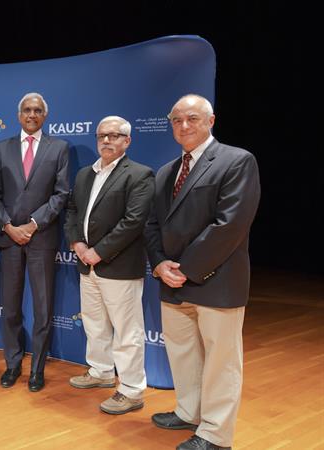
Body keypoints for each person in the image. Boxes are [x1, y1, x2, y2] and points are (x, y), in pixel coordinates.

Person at [145, 94, 260, 450]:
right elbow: (151, 224)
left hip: (217, 281)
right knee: (183, 355)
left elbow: (229, 225)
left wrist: (187, 269)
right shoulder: (166, 172)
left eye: (192, 118)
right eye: (177, 120)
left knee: (221, 362)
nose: (184, 126)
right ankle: (188, 411)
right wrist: (161, 264)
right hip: (173, 282)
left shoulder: (237, 161)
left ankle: (214, 434)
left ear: (211, 121)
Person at [64, 116, 154, 414]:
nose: (106, 140)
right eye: (102, 135)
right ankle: (101, 371)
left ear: (127, 141)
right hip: (86, 264)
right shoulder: (83, 174)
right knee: (94, 323)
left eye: (114, 136)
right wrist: (77, 244)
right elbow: (73, 210)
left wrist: (98, 252)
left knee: (127, 332)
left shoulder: (140, 175)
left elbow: (133, 222)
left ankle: (131, 390)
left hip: (118, 266)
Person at [0, 92, 69, 392]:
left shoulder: (59, 148)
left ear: (44, 116)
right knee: (10, 308)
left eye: (37, 110)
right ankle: (12, 365)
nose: (31, 115)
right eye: (26, 110)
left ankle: (37, 369)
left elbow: (61, 194)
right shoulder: (1, 148)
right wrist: (9, 226)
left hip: (41, 239)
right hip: (9, 240)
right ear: (18, 115)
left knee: (43, 309)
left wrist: (33, 224)